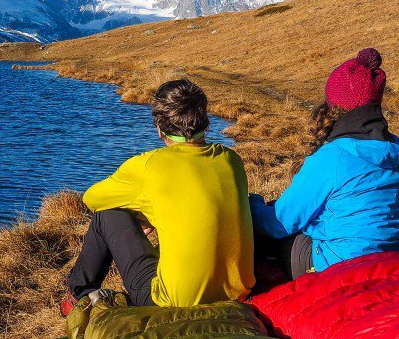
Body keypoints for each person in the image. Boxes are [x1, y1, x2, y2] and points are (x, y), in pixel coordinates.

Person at [60, 78, 255, 315]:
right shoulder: (231, 159)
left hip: (173, 303)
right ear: (205, 121)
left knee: (107, 215)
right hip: (237, 292)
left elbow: (92, 199)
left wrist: (142, 213)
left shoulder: (149, 166)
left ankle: (77, 296)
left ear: (159, 128)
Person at [250, 48, 399, 281]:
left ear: (333, 104)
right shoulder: (395, 153)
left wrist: (252, 204)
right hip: (397, 257)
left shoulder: (332, 157)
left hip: (337, 264)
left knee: (276, 237)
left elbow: (280, 223)